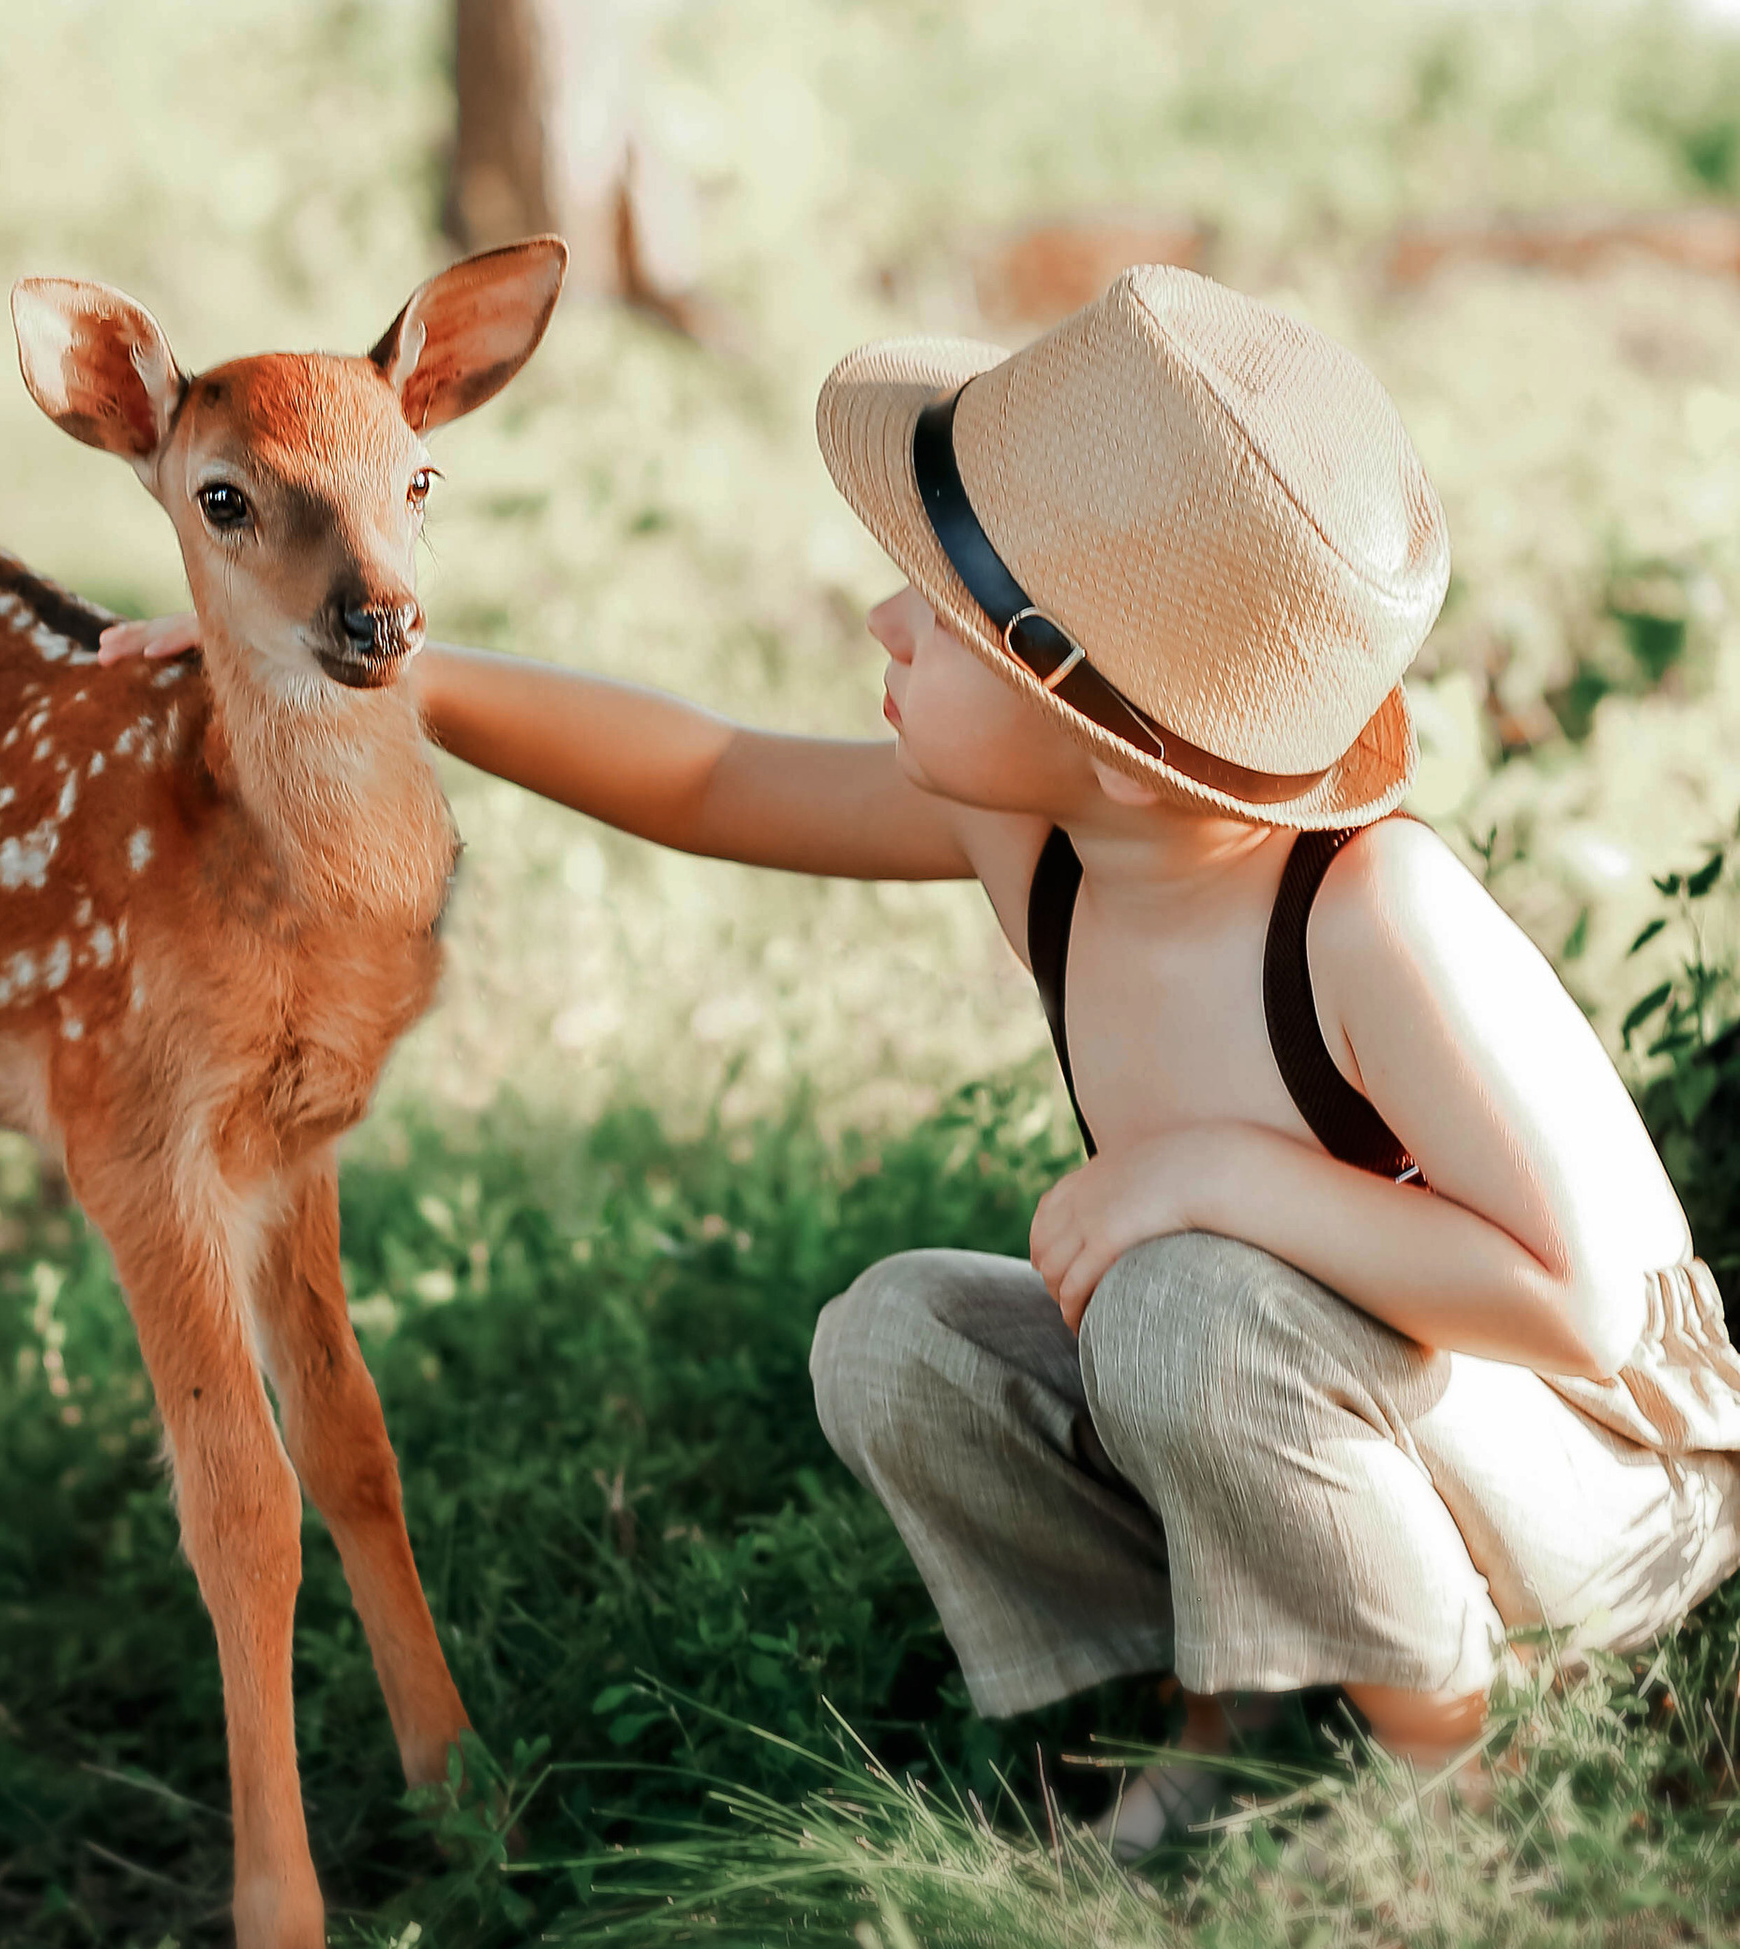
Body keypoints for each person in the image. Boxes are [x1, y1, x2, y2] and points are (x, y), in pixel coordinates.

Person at [104, 265, 1740, 1849]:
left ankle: (1459, 1788)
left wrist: (1212, 1172)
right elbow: (714, 779)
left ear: (1069, 691)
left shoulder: (1372, 909)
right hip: (1331, 1423)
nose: (885, 618)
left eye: (939, 612)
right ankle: (1227, 1716)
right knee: (899, 1337)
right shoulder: (1046, 834)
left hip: (1602, 1497)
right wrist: (363, 667)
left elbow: (1580, 1310)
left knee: (1184, 1296)